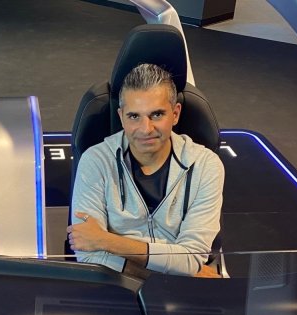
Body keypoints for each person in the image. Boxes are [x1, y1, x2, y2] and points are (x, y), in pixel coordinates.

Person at [67, 63, 223, 277]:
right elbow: (88, 255)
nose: (145, 129)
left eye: (157, 115)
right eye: (134, 116)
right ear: (121, 116)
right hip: (122, 284)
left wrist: (106, 241)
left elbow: (191, 259)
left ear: (175, 113)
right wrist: (181, 274)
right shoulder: (95, 161)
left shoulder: (206, 165)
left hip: (169, 284)